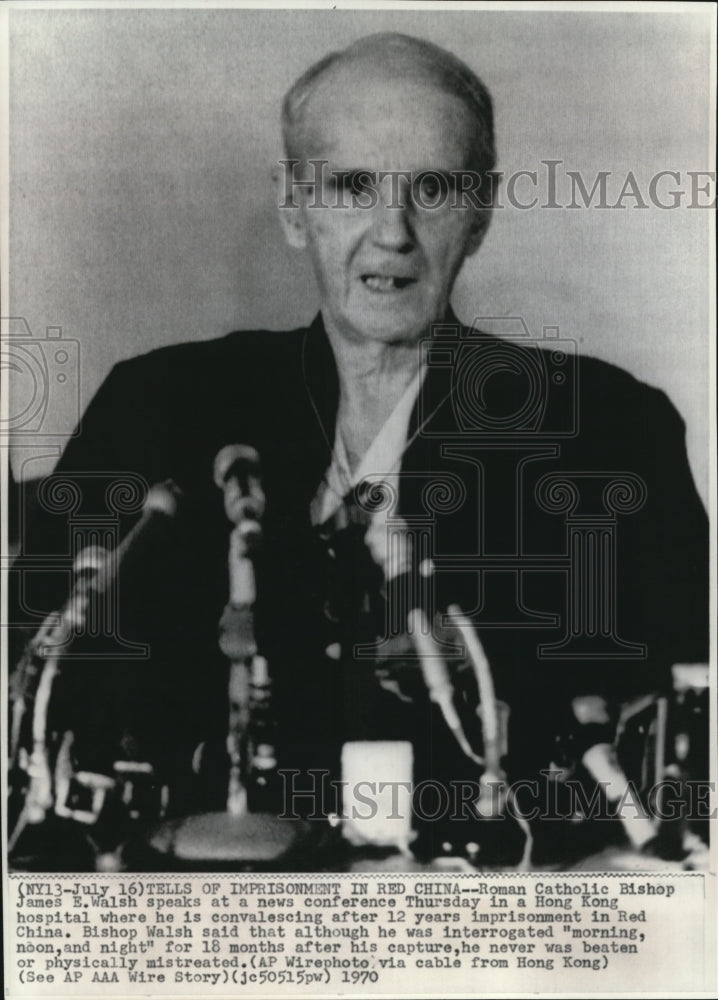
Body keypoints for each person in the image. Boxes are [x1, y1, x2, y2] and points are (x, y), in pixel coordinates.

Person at [9, 33, 708, 868]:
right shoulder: (159, 407)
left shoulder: (605, 427)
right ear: (293, 207)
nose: (393, 233)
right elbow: (37, 677)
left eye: (434, 190)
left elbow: (673, 726)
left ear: (481, 211)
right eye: (351, 187)